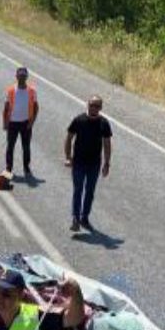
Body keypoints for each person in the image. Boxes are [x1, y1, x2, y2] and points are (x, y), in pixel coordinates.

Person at [63, 95, 113, 232]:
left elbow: (107, 144)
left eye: (97, 106)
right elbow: (69, 138)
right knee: (78, 190)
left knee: (90, 191)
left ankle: (85, 217)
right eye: (92, 105)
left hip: (94, 164)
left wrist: (107, 163)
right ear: (87, 105)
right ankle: (75, 218)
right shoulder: (79, 120)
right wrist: (68, 157)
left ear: (101, 108)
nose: (94, 108)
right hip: (78, 162)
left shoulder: (104, 123)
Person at [2, 66, 38, 178]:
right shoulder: (11, 90)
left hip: (26, 123)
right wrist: (5, 122)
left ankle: (26, 167)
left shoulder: (32, 91)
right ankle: (8, 168)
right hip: (12, 123)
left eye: (24, 75)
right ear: (16, 76)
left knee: (26, 147)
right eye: (20, 75)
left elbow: (36, 107)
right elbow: (6, 107)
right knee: (10, 147)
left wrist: (32, 122)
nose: (21, 77)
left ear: (26, 77)